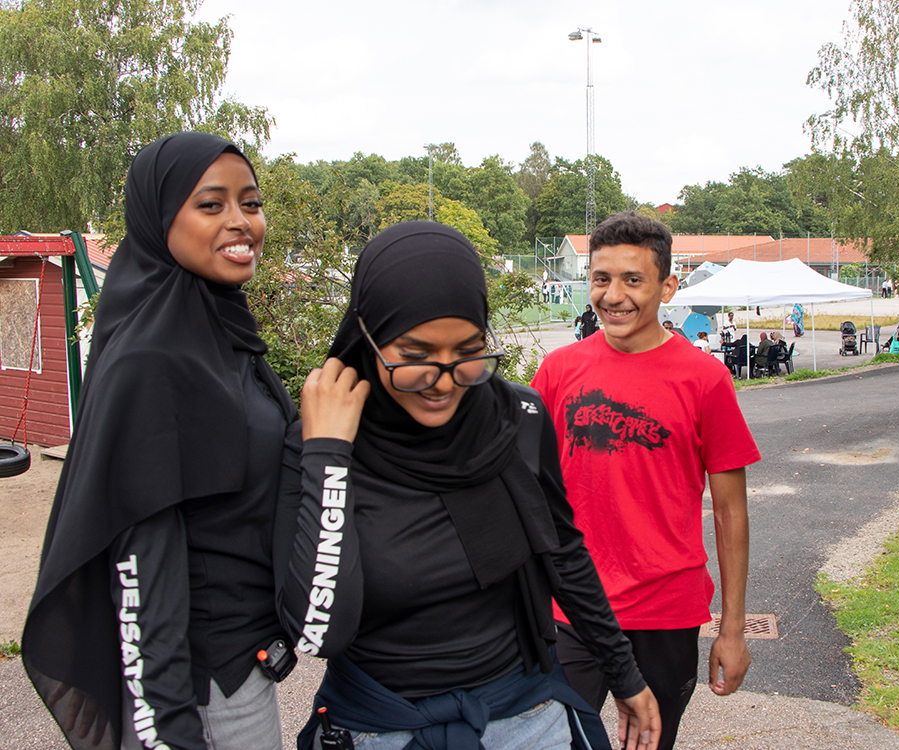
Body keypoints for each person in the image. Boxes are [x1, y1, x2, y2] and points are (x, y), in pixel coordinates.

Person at [278, 221, 661, 750]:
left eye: (468, 351)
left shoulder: (514, 418)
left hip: (525, 717)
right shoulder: (324, 441)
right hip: (382, 728)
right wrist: (328, 457)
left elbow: (563, 554)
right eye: (413, 357)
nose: (442, 381)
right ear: (366, 337)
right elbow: (318, 630)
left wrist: (625, 674)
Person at [23, 132, 298, 750]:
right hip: (199, 695)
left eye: (250, 203)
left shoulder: (219, 335)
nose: (240, 222)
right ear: (158, 219)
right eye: (211, 204)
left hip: (240, 668)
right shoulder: (150, 359)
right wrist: (169, 730)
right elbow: (144, 567)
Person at [532, 212, 761, 750]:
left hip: (665, 608)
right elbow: (527, 492)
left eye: (632, 280)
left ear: (667, 286)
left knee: (646, 744)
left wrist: (732, 629)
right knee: (559, 741)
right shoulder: (558, 372)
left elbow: (731, 512)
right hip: (572, 607)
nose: (613, 295)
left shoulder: (705, 379)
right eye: (601, 279)